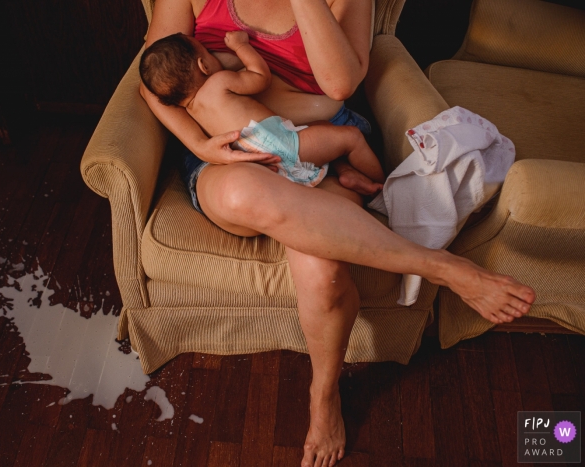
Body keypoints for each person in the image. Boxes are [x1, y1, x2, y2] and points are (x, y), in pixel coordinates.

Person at [139, 1, 536, 466]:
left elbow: (340, 84)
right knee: (240, 196)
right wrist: (201, 144)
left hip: (317, 143)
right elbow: (149, 81)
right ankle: (441, 267)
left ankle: (323, 396)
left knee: (323, 271)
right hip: (229, 155)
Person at [139, 31, 385, 192]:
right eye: (206, 52)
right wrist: (241, 47)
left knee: (324, 127)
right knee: (351, 136)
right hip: (287, 147)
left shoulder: (192, 113)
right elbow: (260, 78)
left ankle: (347, 172)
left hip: (264, 167)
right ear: (203, 66)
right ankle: (382, 190)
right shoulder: (218, 82)